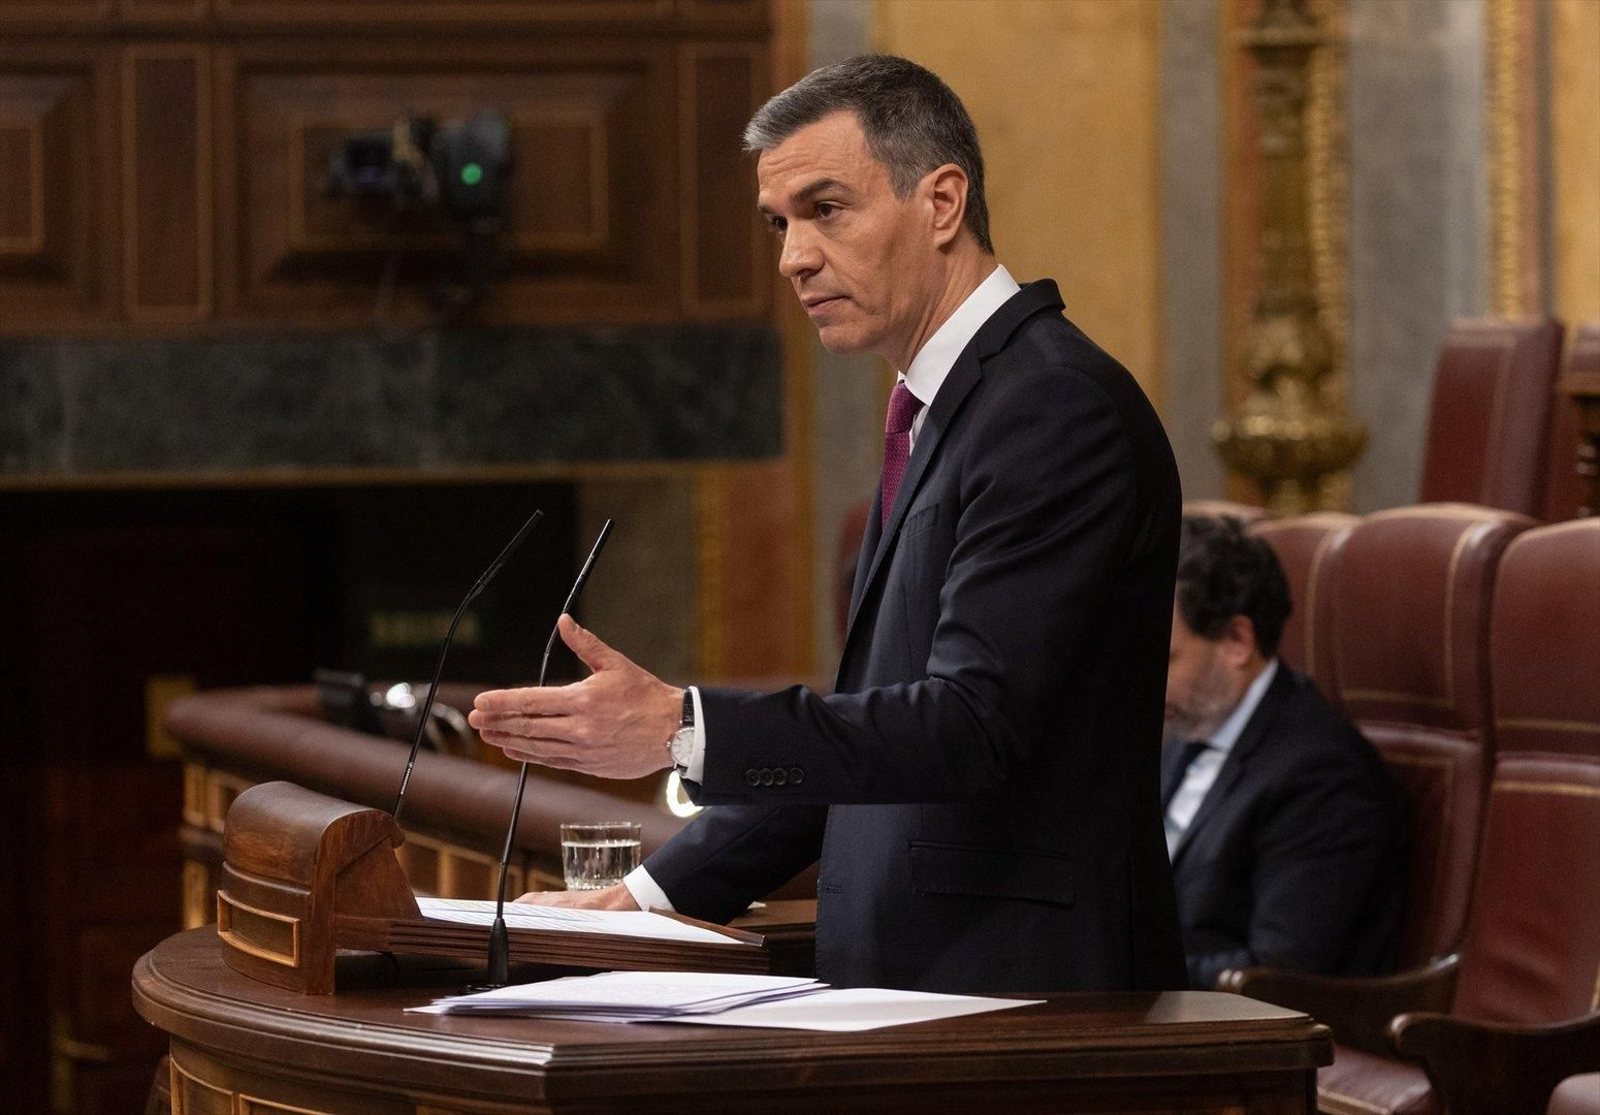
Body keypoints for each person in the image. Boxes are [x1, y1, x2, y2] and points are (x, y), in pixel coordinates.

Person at [468, 54, 1186, 993]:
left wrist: (686, 729)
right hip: (926, 987)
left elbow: (971, 724)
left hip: (1028, 1000)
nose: (791, 257)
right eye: (781, 222)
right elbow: (871, 730)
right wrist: (648, 894)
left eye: (826, 209)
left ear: (941, 201)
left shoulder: (1052, 405)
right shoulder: (948, 408)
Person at [1163, 515, 1405, 991]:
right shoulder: (1184, 731)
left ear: (1236, 641)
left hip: (1246, 1040)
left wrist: (1123, 972)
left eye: (1164, 657)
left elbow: (1280, 972)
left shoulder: (1320, 773)